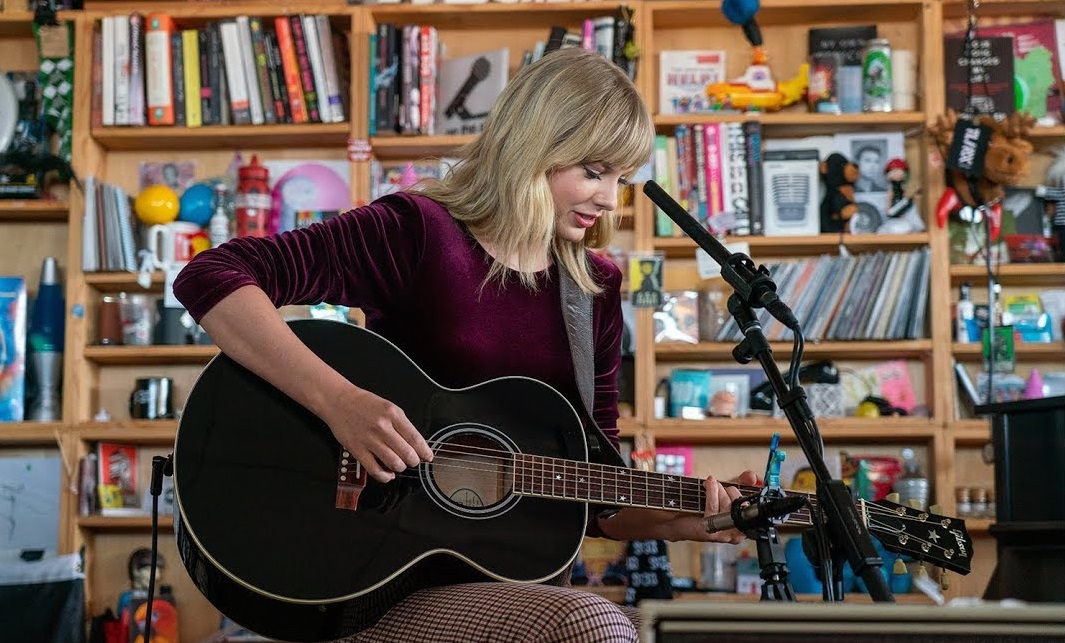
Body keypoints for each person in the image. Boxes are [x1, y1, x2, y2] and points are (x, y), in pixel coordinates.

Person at [173, 47, 757, 643]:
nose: (610, 199)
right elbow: (213, 276)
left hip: (516, 590)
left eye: (621, 179)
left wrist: (682, 522)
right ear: (536, 147)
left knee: (696, 630)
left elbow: (594, 487)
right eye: (595, 171)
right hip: (375, 580)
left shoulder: (596, 288)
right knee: (593, 625)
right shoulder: (417, 231)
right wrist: (340, 402)